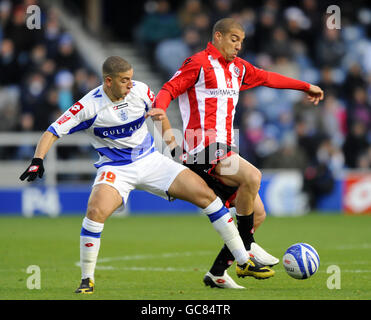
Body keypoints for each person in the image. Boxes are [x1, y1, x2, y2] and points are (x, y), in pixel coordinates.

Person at [19, 56, 275, 294]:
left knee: (207, 196)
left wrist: (170, 143)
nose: (131, 84)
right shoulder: (88, 106)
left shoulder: (140, 90)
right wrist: (37, 160)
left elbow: (159, 112)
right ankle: (87, 280)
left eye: (131, 78)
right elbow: (52, 131)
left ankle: (243, 261)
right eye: (124, 80)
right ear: (108, 81)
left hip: (151, 161)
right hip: (116, 169)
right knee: (95, 212)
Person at [153, 18, 324, 288]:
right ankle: (248, 249)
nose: (238, 46)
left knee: (257, 213)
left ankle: (218, 273)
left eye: (241, 41)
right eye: (234, 39)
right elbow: (169, 89)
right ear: (218, 36)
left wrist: (305, 86)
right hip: (201, 147)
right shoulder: (198, 63)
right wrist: (160, 108)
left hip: (224, 148)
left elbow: (269, 78)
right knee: (253, 176)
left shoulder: (238, 69)